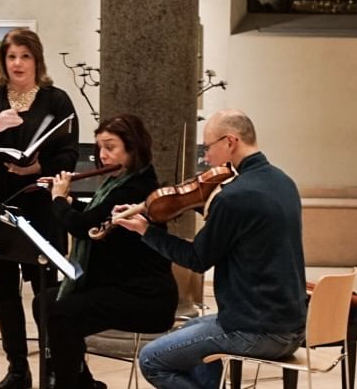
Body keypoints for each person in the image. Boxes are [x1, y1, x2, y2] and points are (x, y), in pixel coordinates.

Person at [114, 109, 306, 389]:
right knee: (190, 335)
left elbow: (196, 259)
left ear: (230, 142)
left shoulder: (234, 197)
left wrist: (145, 231)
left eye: (207, 147)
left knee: (151, 359)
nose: (205, 158)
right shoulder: (283, 182)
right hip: (290, 326)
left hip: (255, 329)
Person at [0, 27, 79, 389]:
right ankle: (19, 368)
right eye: (11, 57)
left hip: (40, 202)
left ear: (37, 60)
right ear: (3, 61)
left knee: (45, 290)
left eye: (25, 56)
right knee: (4, 290)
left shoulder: (57, 100)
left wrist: (39, 168)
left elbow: (69, 152)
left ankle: (54, 364)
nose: (18, 63)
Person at [42, 114, 178, 389]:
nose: (102, 156)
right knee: (44, 302)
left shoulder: (139, 187)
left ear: (133, 147)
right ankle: (82, 382)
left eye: (110, 147)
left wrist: (59, 200)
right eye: (99, 148)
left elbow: (83, 228)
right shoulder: (116, 183)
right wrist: (68, 201)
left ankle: (68, 383)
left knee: (61, 313)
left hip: (144, 294)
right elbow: (97, 221)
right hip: (116, 285)